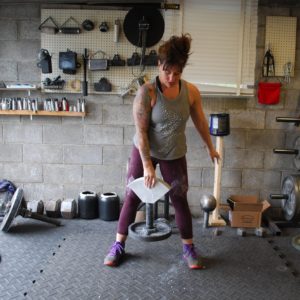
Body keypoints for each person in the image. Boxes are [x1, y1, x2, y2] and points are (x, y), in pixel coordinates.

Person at [104, 34, 220, 269]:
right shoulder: (147, 93)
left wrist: (210, 147)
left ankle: (188, 248)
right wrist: (147, 166)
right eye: (167, 71)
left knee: (179, 198)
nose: (171, 77)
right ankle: (118, 246)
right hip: (145, 149)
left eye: (177, 73)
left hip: (174, 151)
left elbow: (199, 121)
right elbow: (142, 132)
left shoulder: (191, 92)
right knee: (133, 195)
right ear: (159, 64)